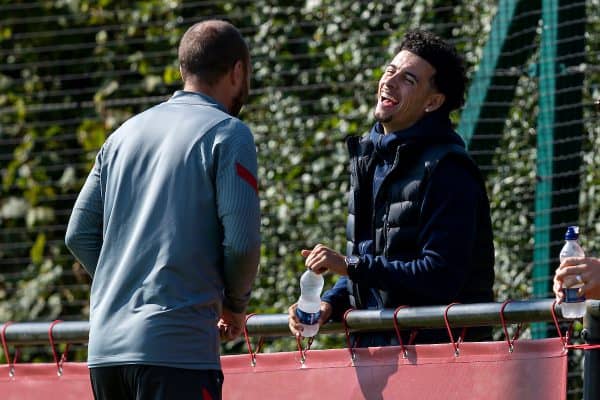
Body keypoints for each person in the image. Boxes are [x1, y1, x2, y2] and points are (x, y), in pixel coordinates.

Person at [65, 20, 260, 400]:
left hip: (105, 354)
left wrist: (124, 287)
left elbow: (78, 234)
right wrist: (234, 305)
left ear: (183, 68)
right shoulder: (229, 132)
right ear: (238, 71)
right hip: (177, 354)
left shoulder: (122, 135)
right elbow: (241, 242)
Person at [288, 29, 495, 346]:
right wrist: (330, 302)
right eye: (390, 71)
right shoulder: (369, 159)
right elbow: (374, 263)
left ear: (433, 102)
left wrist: (351, 266)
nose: (389, 81)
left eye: (408, 80)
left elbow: (440, 277)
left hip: (439, 362)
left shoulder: (449, 170)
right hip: (378, 357)